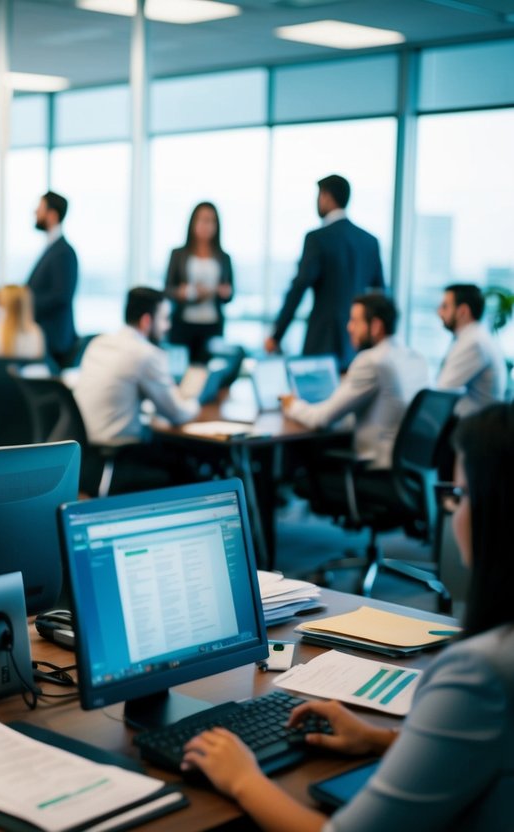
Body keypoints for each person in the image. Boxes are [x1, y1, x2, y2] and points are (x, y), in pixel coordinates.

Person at [180, 401, 514, 831]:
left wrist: (242, 778)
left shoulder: (481, 673)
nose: (454, 513)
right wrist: (378, 740)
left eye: (461, 495)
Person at [282, 293, 427, 469]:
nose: (349, 327)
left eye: (355, 321)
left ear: (375, 326)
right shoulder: (416, 358)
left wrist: (291, 404)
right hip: (409, 468)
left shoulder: (371, 360)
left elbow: (321, 419)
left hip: (374, 469)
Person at [266, 175, 384, 371]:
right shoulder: (370, 241)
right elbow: (379, 294)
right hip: (358, 342)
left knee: (315, 397)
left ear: (326, 197)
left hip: (323, 339)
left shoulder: (317, 238)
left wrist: (276, 335)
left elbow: (299, 287)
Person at [74, 287, 200, 446]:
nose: (167, 326)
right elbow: (177, 413)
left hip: (85, 450)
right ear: (146, 321)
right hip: (121, 451)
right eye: (164, 319)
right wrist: (194, 400)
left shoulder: (98, 343)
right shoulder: (145, 354)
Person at [0, 192, 78, 367]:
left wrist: (23, 304)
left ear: (52, 215)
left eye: (40, 209)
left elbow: (61, 296)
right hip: (44, 339)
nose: (35, 213)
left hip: (53, 342)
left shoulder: (63, 252)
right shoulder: (52, 249)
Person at [164, 202, 234, 364]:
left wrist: (224, 293)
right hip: (183, 325)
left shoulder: (223, 257)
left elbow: (230, 294)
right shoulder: (178, 254)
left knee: (207, 372)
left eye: (211, 221)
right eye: (203, 220)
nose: (207, 225)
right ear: (193, 223)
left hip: (212, 325)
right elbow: (168, 289)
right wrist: (184, 292)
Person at [437, 283, 507, 417]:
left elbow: (442, 393)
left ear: (463, 311)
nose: (439, 312)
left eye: (445, 306)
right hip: (474, 425)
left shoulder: (473, 343)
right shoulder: (475, 336)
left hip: (475, 430)